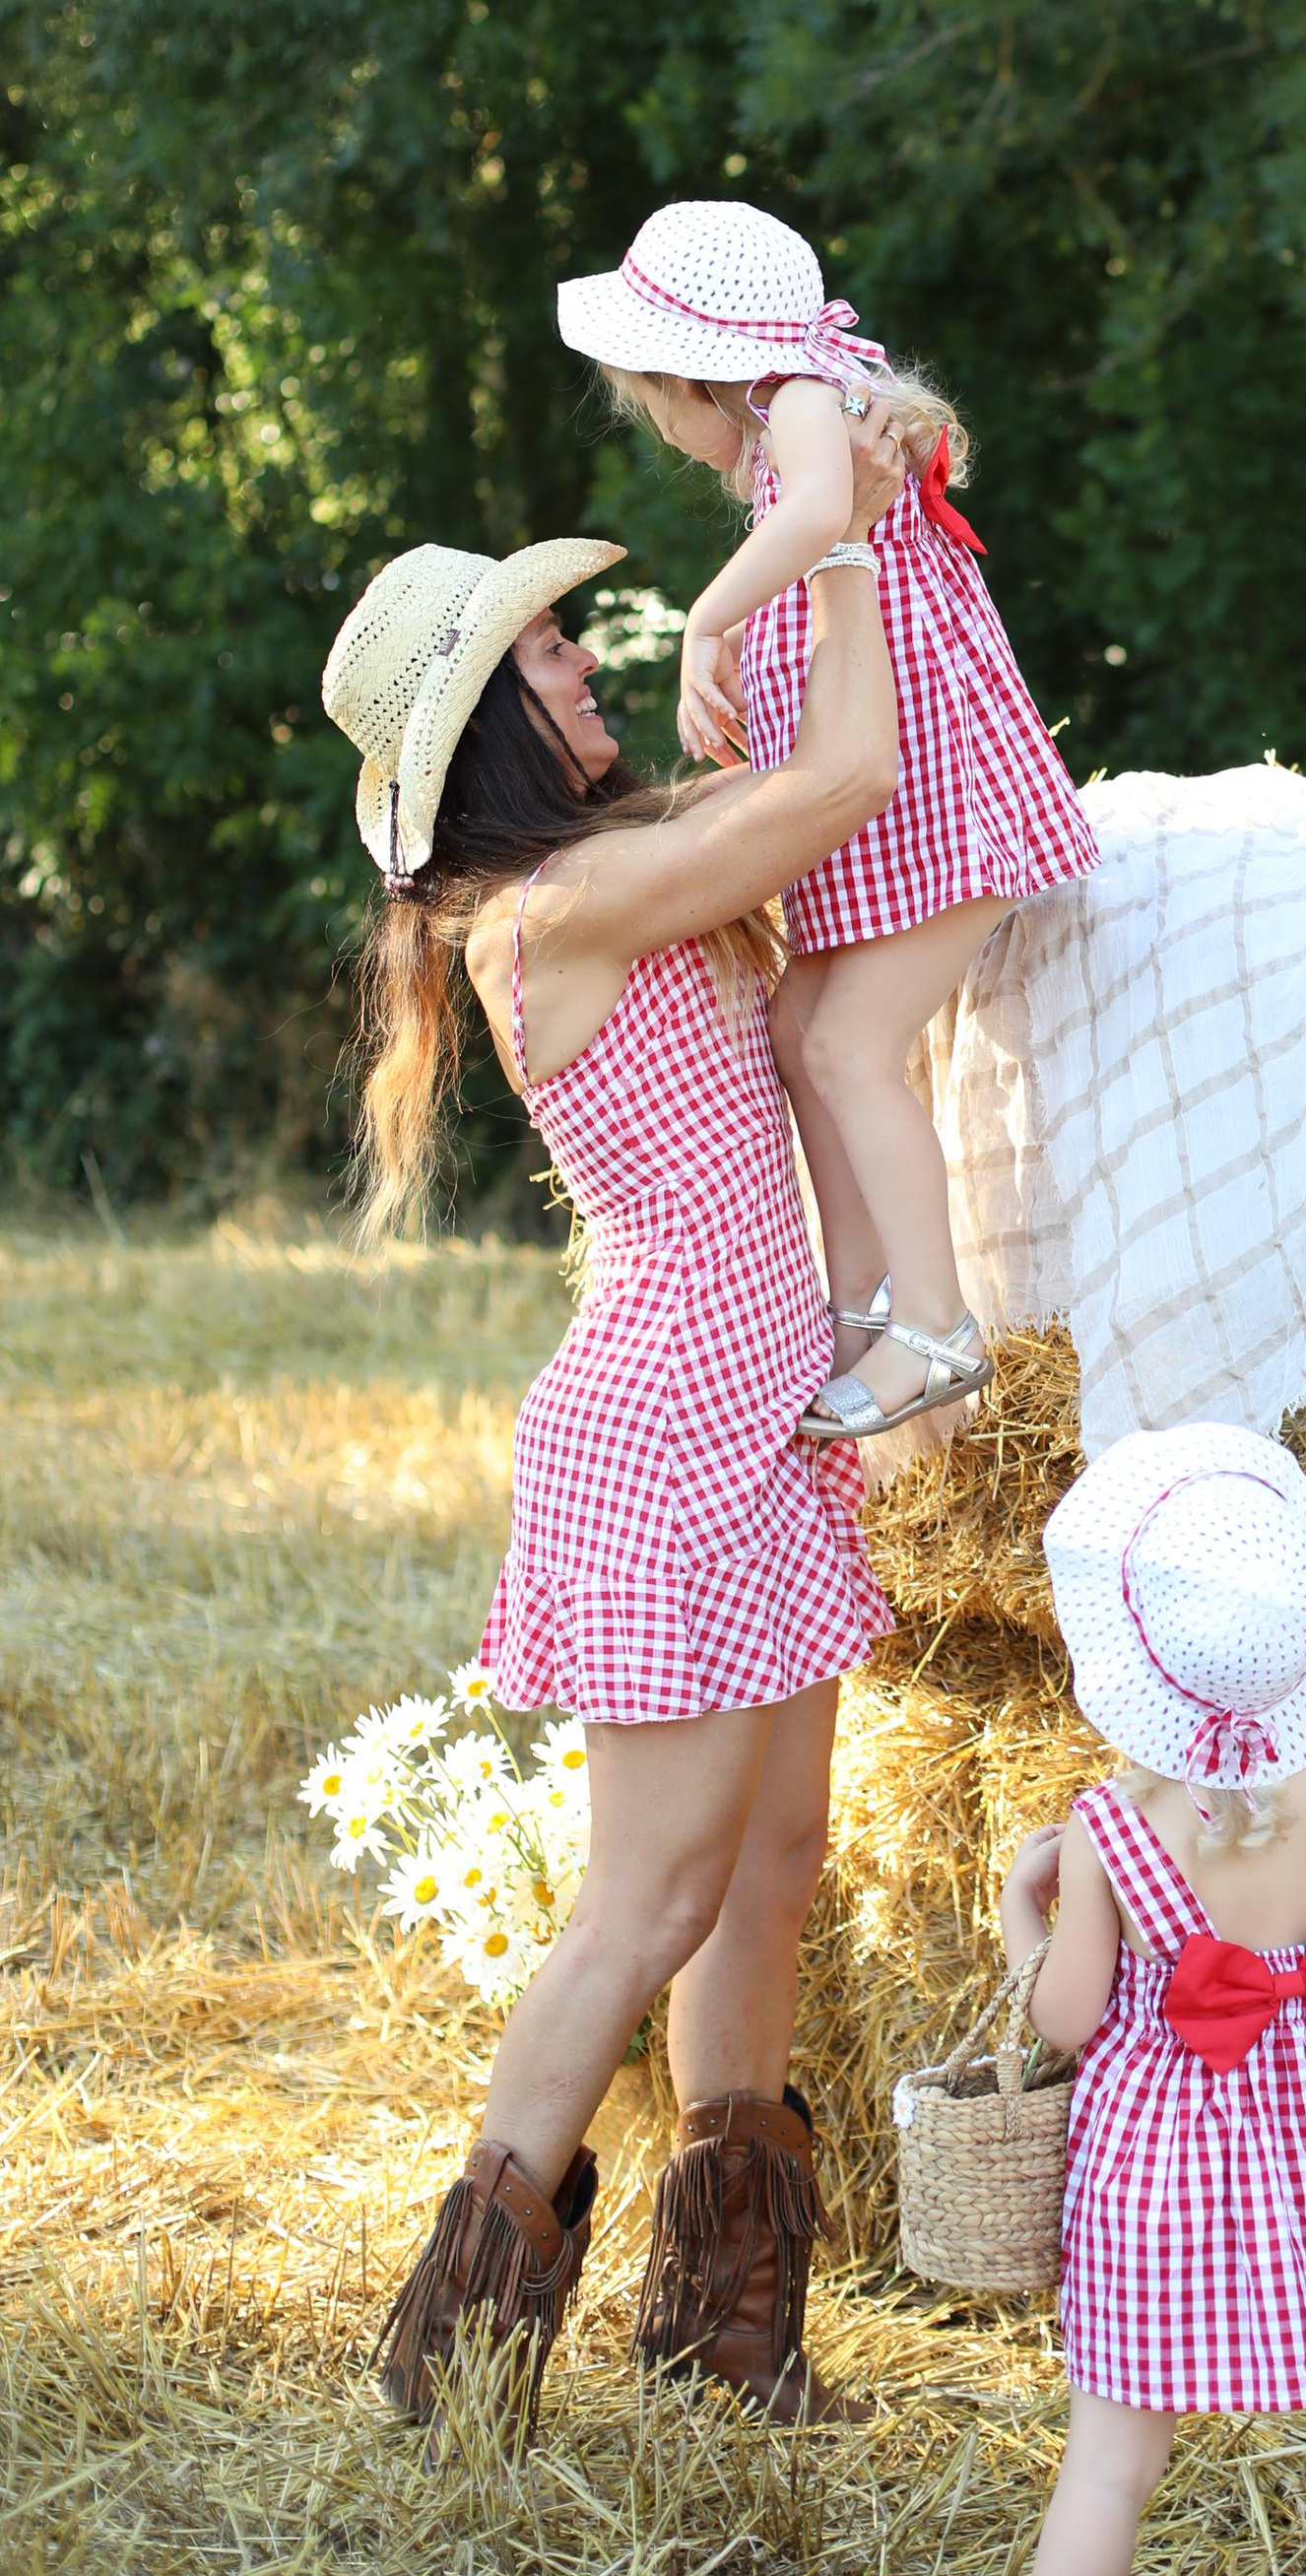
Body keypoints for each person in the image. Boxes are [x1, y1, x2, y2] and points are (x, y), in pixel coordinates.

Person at [320, 406, 906, 2441]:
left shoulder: (607, 879)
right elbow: (847, 776)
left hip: (757, 1419)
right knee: (648, 1902)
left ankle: (726, 2331)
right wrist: (832, 534)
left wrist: (775, 591)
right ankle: (457, 2364)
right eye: (551, 657)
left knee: (772, 1873)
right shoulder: (545, 920)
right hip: (667, 1438)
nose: (584, 662)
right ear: (488, 724)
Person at [910, 1426, 1306, 2576]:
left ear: (1138, 1658)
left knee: (1111, 2465)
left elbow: (1068, 2020)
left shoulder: (1111, 1833)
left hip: (1163, 2182)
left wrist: (1018, 1911)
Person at [555, 201, 1098, 1446]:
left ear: (701, 378)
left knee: (849, 1044)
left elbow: (811, 523)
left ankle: (935, 1326)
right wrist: (752, 633)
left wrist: (704, 618)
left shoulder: (795, 393)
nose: (671, 439)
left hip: (948, 804)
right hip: (906, 807)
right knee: (804, 1027)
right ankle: (853, 1316)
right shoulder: (808, 401)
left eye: (655, 411)